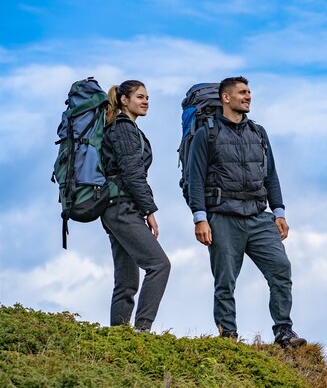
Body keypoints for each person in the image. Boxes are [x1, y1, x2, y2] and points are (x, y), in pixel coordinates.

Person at [188, 76, 306, 347]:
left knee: (281, 269)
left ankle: (284, 331)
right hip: (223, 217)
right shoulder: (207, 133)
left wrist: (279, 212)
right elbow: (196, 178)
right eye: (242, 92)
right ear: (225, 98)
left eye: (250, 92)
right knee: (226, 281)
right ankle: (228, 337)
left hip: (258, 215)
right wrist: (200, 218)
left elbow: (271, 175)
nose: (249, 96)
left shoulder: (258, 132)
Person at [101, 80, 171, 332]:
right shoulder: (124, 129)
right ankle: (142, 329)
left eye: (147, 98)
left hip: (115, 207)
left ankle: (118, 337)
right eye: (139, 97)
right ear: (124, 100)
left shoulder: (120, 128)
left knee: (127, 280)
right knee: (159, 265)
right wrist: (149, 211)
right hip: (122, 207)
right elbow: (133, 174)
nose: (145, 102)